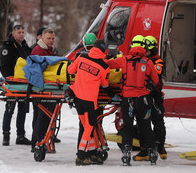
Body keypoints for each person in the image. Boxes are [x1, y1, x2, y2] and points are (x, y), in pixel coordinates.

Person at [106, 35, 159, 166]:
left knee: (127, 128)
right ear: (145, 47)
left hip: (128, 100)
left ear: (131, 46)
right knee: (146, 127)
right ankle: (152, 153)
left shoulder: (123, 60)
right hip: (144, 100)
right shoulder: (148, 62)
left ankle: (126, 155)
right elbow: (156, 81)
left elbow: (107, 64)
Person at [67, 39, 119, 166]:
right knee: (89, 127)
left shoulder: (81, 57)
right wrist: (113, 96)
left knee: (86, 128)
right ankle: (81, 156)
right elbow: (105, 85)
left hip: (77, 97)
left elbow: (70, 71)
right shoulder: (104, 66)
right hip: (90, 100)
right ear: (103, 50)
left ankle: (91, 153)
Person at [133, 35, 167, 161]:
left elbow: (155, 78)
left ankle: (160, 146)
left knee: (158, 121)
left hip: (154, 96)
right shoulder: (141, 60)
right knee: (142, 122)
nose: (144, 51)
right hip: (142, 95)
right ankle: (144, 150)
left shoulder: (157, 62)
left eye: (146, 49)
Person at [0, 24, 32, 146]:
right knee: (9, 109)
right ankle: (6, 135)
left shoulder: (24, 46)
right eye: (19, 32)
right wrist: (10, 80)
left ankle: (20, 135)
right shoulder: (8, 47)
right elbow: (4, 66)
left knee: (23, 109)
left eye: (23, 32)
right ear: (13, 33)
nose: (21, 34)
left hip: (24, 83)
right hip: (12, 83)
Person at [30, 28, 60, 151]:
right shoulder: (39, 51)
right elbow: (36, 70)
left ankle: (40, 141)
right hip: (41, 88)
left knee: (45, 117)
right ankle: (38, 142)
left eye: (53, 38)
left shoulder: (48, 50)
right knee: (42, 117)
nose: (51, 40)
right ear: (42, 37)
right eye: (48, 38)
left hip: (46, 87)